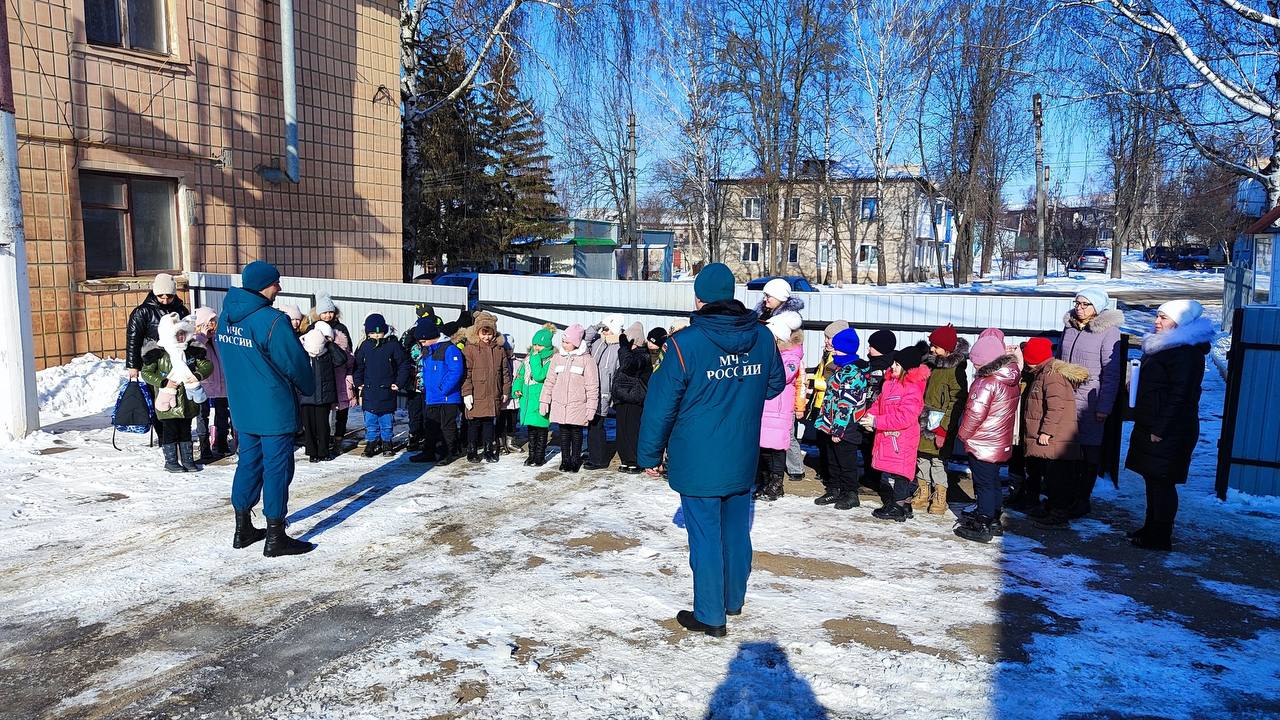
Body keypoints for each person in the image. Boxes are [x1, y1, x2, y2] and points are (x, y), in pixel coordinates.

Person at [637, 263, 786, 638]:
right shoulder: (763, 338)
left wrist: (649, 456)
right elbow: (774, 384)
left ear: (699, 299)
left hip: (699, 455)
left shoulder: (685, 344)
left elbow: (661, 404)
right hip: (741, 452)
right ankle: (732, 600)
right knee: (736, 530)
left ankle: (709, 614)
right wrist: (740, 392)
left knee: (705, 535)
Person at [217, 261, 316, 556]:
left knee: (248, 463)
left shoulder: (226, 318)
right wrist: (308, 386)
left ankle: (242, 527)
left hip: (243, 406)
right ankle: (276, 537)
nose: (279, 288)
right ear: (264, 285)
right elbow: (295, 362)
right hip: (273, 408)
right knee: (277, 469)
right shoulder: (272, 321)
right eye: (276, 283)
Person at [1125, 300, 1212, 551]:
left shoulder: (1185, 352)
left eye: (1163, 318)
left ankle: (1160, 536)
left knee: (1163, 481)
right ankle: (1151, 527)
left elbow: (1180, 396)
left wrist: (1159, 430)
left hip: (1170, 429)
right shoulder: (1163, 347)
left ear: (1180, 322)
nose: (1157, 321)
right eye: (1157, 316)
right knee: (1152, 479)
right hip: (1154, 423)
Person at [1059, 286, 1124, 517]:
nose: (1079, 308)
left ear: (1097, 307)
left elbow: (1111, 372)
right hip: (1065, 398)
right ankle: (1064, 498)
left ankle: (1081, 500)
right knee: (1067, 451)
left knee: (1088, 452)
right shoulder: (1070, 327)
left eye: (1085, 304)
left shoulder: (1108, 332)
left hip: (1090, 400)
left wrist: (1104, 406)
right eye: (1077, 303)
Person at [954, 328, 1022, 544]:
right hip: (998, 441)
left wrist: (963, 434)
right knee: (992, 482)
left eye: (976, 362)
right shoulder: (1009, 378)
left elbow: (975, 413)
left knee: (983, 484)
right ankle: (993, 518)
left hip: (982, 442)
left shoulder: (986, 383)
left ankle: (983, 522)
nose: (974, 366)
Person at [1017, 337, 1089, 528]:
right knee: (1051, 477)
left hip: (1055, 440)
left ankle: (1058, 515)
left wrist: (1046, 432)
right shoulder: (1043, 372)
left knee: (1057, 479)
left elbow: (1056, 407)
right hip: (1055, 440)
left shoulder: (1051, 376)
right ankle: (1052, 509)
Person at [863, 345, 930, 522]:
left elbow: (905, 417)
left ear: (907, 369)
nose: (892, 366)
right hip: (889, 436)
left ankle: (898, 507)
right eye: (893, 363)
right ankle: (904, 504)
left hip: (903, 439)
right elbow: (879, 404)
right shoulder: (890, 384)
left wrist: (877, 422)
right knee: (895, 471)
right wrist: (870, 416)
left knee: (902, 473)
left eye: (897, 364)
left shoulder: (913, 388)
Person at [141, 313, 213, 473]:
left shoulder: (192, 351)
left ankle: (188, 460)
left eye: (183, 333)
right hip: (167, 399)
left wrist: (197, 375)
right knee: (170, 431)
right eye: (177, 334)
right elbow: (146, 373)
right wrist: (163, 382)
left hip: (187, 400)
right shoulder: (158, 353)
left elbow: (207, 366)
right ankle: (171, 461)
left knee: (186, 430)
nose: (181, 337)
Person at [913, 326, 969, 517]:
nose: (932, 349)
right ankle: (923, 490)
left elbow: (957, 402)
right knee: (921, 457)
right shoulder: (932, 365)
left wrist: (944, 429)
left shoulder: (955, 371)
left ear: (948, 349)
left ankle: (940, 495)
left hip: (940, 424)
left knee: (937, 461)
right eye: (931, 345)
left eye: (936, 346)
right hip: (924, 420)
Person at [812, 328, 870, 509]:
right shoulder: (841, 368)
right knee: (832, 459)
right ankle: (834, 489)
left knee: (846, 462)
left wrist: (838, 429)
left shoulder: (852, 372)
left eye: (837, 348)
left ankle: (850, 493)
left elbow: (846, 403)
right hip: (832, 423)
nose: (833, 351)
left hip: (846, 426)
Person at [756, 312, 805, 501]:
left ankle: (776, 485)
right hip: (766, 407)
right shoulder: (775, 352)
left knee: (777, 448)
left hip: (778, 408)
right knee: (764, 448)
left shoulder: (792, 356)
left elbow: (783, 375)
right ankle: (765, 482)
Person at [541, 324, 599, 473]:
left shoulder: (586, 360)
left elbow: (592, 386)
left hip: (577, 404)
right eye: (563, 341)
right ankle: (565, 460)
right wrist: (544, 400)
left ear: (576, 343)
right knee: (564, 432)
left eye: (567, 342)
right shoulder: (557, 358)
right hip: (560, 404)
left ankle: (575, 460)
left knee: (576, 432)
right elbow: (550, 381)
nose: (564, 345)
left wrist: (591, 407)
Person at [354, 313, 411, 458]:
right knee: (370, 419)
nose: (376, 336)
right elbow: (358, 366)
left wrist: (399, 383)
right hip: (369, 389)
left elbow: (403, 364)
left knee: (386, 419)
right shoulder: (365, 346)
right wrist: (358, 382)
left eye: (379, 332)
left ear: (384, 331)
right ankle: (372, 441)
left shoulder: (392, 345)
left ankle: (387, 442)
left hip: (386, 389)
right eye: (373, 333)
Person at [411, 320, 466, 465]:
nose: (422, 344)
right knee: (430, 426)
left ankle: (449, 452)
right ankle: (429, 451)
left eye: (423, 341)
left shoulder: (450, 349)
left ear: (431, 337)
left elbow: (456, 371)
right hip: (432, 397)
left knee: (447, 426)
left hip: (447, 397)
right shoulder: (428, 351)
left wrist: (443, 389)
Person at [462, 311, 513, 463]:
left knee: (488, 423)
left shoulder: (499, 349)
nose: (487, 337)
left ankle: (488, 449)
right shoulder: (470, 349)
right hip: (476, 394)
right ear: (477, 332)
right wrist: (466, 393)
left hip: (492, 394)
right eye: (483, 333)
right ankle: (471, 450)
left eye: (489, 333)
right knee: (473, 424)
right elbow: (466, 373)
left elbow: (505, 372)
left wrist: (505, 390)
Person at [806, 320, 850, 486]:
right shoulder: (827, 355)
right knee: (821, 440)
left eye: (829, 338)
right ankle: (824, 469)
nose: (826, 341)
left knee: (827, 442)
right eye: (825, 337)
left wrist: (814, 383)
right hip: (820, 403)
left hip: (830, 404)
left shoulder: (837, 359)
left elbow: (832, 383)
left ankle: (828, 473)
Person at [298, 322, 349, 463]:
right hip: (306, 395)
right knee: (309, 426)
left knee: (322, 426)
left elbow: (341, 359)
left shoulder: (327, 352)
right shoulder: (303, 350)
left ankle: (323, 451)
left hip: (323, 395)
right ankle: (312, 452)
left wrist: (330, 344)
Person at [125, 273, 190, 380]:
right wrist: (133, 366)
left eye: (169, 297)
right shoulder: (142, 312)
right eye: (161, 297)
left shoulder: (181, 310)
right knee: (158, 394)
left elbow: (188, 334)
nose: (165, 301)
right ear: (155, 294)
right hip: (152, 362)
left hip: (178, 359)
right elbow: (133, 339)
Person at [858, 329, 898, 491]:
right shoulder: (871, 364)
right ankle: (869, 475)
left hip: (878, 413)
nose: (868, 349)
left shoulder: (885, 367)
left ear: (881, 348)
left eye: (871, 346)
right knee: (866, 446)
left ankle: (873, 478)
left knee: (873, 447)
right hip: (866, 410)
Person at [314, 293, 355, 449]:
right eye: (324, 312)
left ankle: (338, 437)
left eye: (330, 312)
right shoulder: (314, 328)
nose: (327, 315)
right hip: (322, 374)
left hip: (340, 373)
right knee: (324, 409)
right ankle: (324, 437)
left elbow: (348, 350)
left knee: (341, 408)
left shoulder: (340, 328)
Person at [584, 315, 624, 470]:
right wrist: (597, 326)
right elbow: (585, 341)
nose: (604, 332)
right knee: (591, 424)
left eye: (607, 329)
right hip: (591, 390)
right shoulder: (598, 343)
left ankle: (599, 460)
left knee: (597, 424)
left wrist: (612, 392)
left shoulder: (619, 347)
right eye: (603, 329)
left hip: (605, 391)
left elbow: (617, 371)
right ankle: (593, 453)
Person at [191, 307, 230, 463]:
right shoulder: (196, 339)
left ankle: (221, 443)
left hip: (220, 384)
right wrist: (202, 338)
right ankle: (204, 447)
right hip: (204, 384)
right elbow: (193, 354)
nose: (213, 325)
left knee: (222, 414)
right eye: (210, 321)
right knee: (202, 416)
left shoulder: (217, 339)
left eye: (215, 321)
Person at [613, 322, 652, 474]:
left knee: (633, 430)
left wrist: (624, 347)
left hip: (635, 397)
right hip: (623, 396)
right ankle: (625, 458)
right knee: (622, 430)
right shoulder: (629, 354)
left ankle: (635, 459)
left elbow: (628, 364)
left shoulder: (643, 355)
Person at [514, 325, 556, 467]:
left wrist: (536, 358)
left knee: (541, 428)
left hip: (540, 397)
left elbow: (539, 376)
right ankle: (531, 455)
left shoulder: (550, 359)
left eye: (540, 345)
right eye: (535, 344)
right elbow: (520, 374)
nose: (536, 348)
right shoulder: (528, 357)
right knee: (531, 429)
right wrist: (517, 388)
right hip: (527, 396)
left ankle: (540, 456)